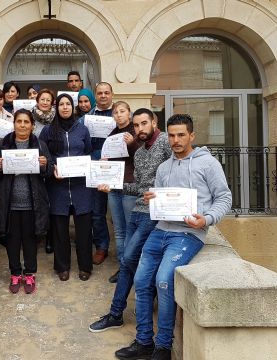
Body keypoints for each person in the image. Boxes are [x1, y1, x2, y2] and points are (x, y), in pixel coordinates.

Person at [115, 114, 232, 360]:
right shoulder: (164, 167)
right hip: (160, 230)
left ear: (192, 136)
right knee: (142, 280)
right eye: (172, 135)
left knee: (164, 281)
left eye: (181, 135)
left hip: (188, 234)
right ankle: (144, 341)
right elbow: (159, 200)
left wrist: (207, 219)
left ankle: (163, 347)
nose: (176, 140)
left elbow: (224, 198)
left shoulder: (207, 164)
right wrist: (152, 200)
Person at [88, 108, 171, 334]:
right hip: (138, 210)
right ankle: (130, 309)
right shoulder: (140, 152)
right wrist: (112, 185)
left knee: (127, 260)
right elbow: (138, 188)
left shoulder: (166, 142)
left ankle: (116, 313)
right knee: (134, 262)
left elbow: (181, 173)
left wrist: (163, 194)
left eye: (144, 123)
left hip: (154, 214)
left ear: (154, 122)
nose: (140, 129)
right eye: (136, 126)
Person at [0, 109, 52, 294]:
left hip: (33, 203)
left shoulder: (40, 144)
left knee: (30, 240)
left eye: (26, 122)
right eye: (19, 121)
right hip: (9, 203)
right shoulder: (4, 144)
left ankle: (30, 273)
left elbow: (49, 171)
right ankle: (15, 273)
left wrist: (45, 165)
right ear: (14, 123)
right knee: (13, 241)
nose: (23, 125)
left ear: (32, 125)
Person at [39, 93, 93, 282]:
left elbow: (87, 152)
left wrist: (83, 165)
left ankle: (85, 266)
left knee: (84, 230)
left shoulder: (83, 129)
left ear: (73, 107)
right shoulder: (47, 130)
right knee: (60, 230)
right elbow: (43, 153)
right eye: (61, 104)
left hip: (81, 187)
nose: (64, 107)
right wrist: (52, 165)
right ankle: (62, 267)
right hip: (58, 186)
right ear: (57, 107)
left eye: (68, 104)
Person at [103, 101, 141, 283]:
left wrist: (132, 143)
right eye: (115, 112)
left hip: (130, 187)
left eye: (122, 111)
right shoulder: (111, 135)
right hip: (113, 186)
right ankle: (123, 268)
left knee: (130, 229)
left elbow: (141, 158)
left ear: (129, 113)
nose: (118, 115)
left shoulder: (136, 133)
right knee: (118, 230)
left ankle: (133, 268)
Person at [85, 82, 114, 265]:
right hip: (96, 167)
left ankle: (128, 248)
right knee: (97, 211)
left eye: (106, 93)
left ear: (112, 94)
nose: (103, 96)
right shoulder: (87, 118)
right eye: (100, 93)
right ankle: (101, 246)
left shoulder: (120, 114)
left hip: (119, 166)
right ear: (95, 95)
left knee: (121, 210)